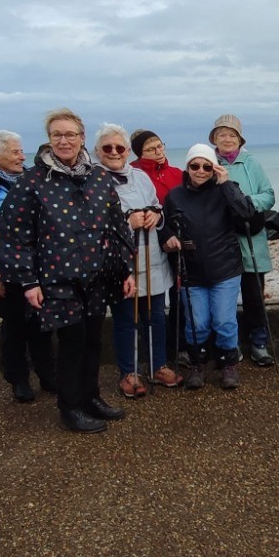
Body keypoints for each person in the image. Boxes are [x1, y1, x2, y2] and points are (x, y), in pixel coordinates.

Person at [0, 108, 136, 433]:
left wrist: (126, 270)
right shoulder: (33, 182)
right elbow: (14, 234)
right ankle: (70, 406)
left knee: (93, 340)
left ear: (81, 138)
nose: (64, 141)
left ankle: (91, 397)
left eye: (70, 134)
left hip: (96, 276)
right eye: (57, 135)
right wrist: (28, 282)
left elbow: (117, 226)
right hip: (56, 278)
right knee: (72, 343)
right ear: (49, 139)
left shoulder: (98, 178)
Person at [0, 130, 56, 402]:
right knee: (14, 326)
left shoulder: (33, 183)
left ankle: (47, 375)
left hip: (39, 269)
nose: (22, 156)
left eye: (21, 151)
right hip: (5, 272)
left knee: (42, 324)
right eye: (15, 152)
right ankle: (18, 379)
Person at [163, 142, 255, 389]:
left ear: (214, 168)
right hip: (191, 271)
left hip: (225, 268)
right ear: (187, 168)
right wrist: (168, 237)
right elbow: (165, 226)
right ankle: (197, 364)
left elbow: (246, 214)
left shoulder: (226, 189)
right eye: (195, 166)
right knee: (197, 323)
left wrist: (226, 184)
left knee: (224, 321)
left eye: (207, 166)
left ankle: (228, 365)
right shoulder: (175, 196)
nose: (201, 171)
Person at [97, 125, 178, 397]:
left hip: (152, 257)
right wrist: (127, 222)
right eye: (107, 148)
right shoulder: (94, 181)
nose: (114, 152)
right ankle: (128, 371)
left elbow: (157, 205)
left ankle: (158, 365)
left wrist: (156, 215)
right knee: (125, 320)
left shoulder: (141, 176)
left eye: (119, 148)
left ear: (127, 152)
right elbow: (93, 222)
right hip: (121, 263)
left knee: (156, 317)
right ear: (97, 151)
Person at [210, 114, 278, 367]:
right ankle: (229, 344)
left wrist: (245, 204)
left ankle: (259, 343)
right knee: (223, 298)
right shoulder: (206, 163)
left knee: (254, 296)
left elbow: (268, 195)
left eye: (232, 135)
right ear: (214, 139)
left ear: (240, 139)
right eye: (222, 134)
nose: (227, 139)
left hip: (251, 239)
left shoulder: (252, 163)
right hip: (220, 241)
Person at [130, 129, 185, 371]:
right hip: (151, 242)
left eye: (160, 145)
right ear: (139, 153)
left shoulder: (177, 173)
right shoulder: (135, 174)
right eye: (151, 149)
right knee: (150, 305)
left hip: (178, 241)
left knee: (179, 296)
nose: (158, 151)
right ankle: (151, 356)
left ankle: (179, 348)